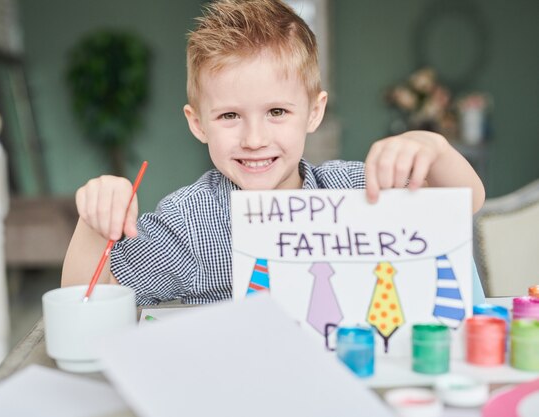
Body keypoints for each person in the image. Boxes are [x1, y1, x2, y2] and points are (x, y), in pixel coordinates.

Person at [61, 0, 485, 305]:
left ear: (313, 112)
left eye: (277, 111)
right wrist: (95, 223)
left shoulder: (354, 189)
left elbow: (466, 202)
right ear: (198, 123)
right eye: (229, 116)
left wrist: (435, 147)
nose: (254, 138)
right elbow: (86, 298)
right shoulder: (190, 223)